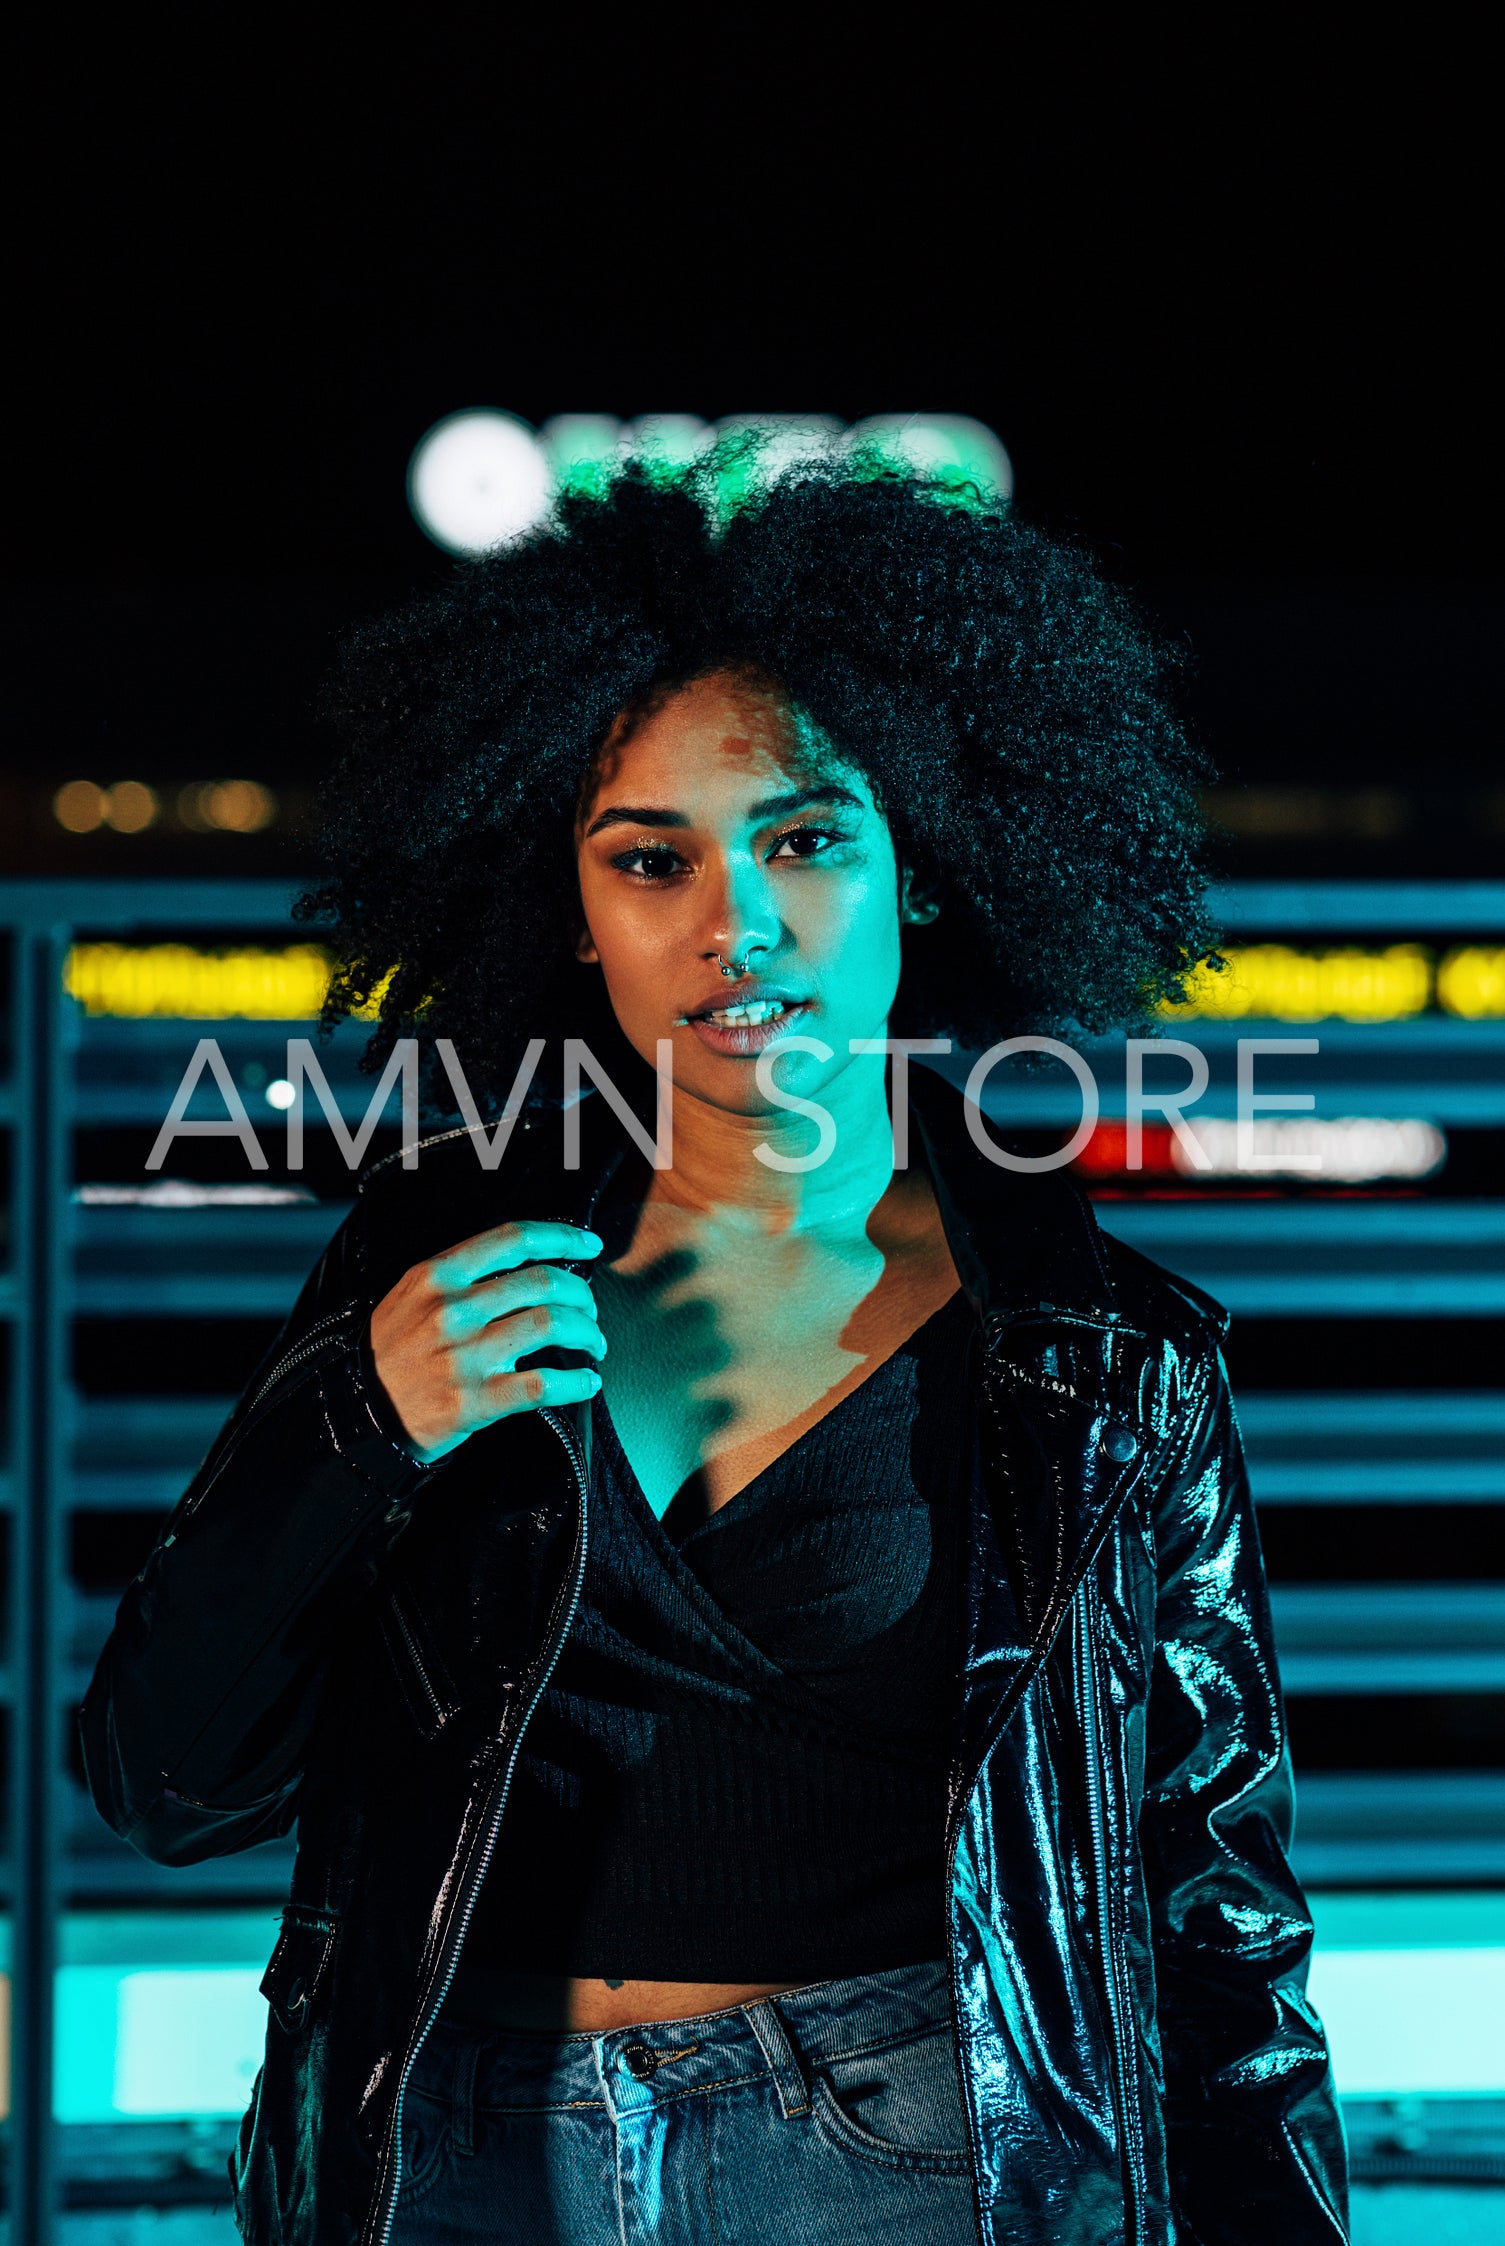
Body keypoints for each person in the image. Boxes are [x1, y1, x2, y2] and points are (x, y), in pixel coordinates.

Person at [81, 457, 1348, 2245]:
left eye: (806, 837)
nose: (730, 922)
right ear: (569, 905)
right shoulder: (432, 1275)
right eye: (649, 854)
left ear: (929, 872)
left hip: (907, 2165)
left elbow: (1218, 1919)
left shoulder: (1096, 1358)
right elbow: (162, 1779)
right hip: (445, 2156)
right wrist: (365, 1418)